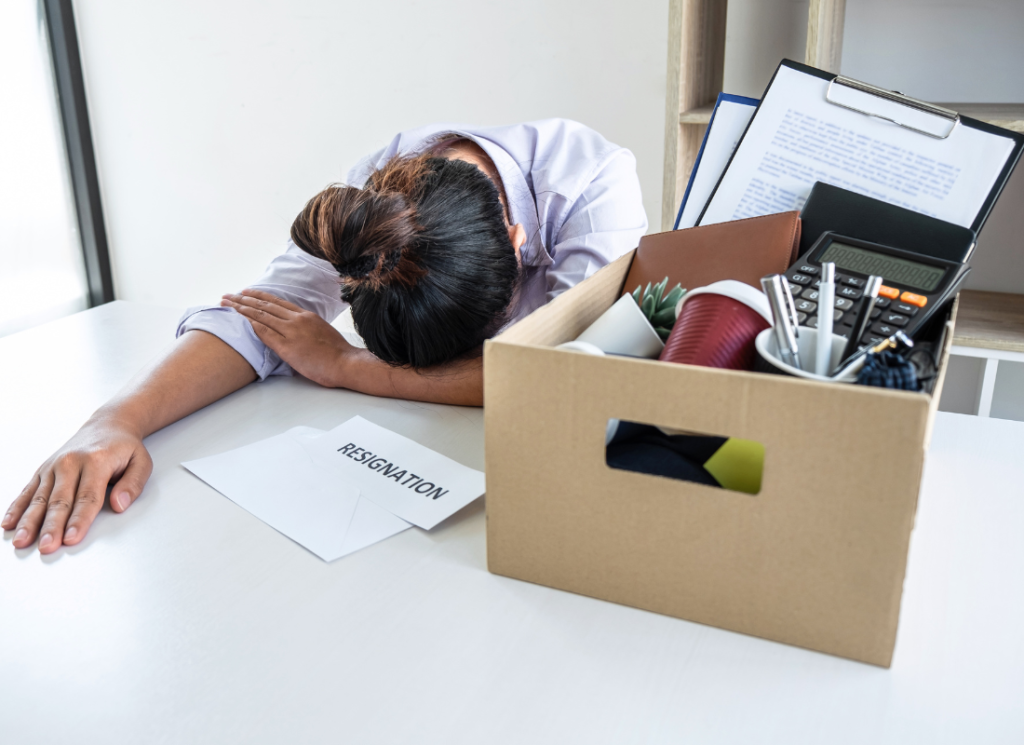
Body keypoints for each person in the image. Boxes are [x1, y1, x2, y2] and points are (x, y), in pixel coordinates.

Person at [3, 119, 647, 553]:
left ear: (518, 243)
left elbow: (566, 373)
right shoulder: (374, 203)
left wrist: (349, 366)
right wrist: (116, 420)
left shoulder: (594, 184)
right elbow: (263, 318)